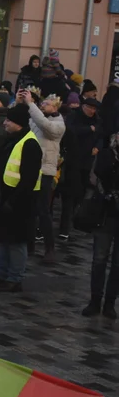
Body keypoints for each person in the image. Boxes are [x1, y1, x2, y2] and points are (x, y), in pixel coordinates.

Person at [0, 103, 43, 293]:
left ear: (18, 123)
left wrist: (13, 201)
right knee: (5, 238)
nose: (4, 123)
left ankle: (15, 278)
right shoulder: (12, 139)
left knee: (17, 241)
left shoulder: (30, 143)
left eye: (8, 120)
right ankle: (0, 273)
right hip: (7, 197)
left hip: (21, 201)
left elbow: (29, 179)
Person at [82, 130, 119, 318]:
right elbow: (98, 175)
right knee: (99, 258)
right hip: (105, 213)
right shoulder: (107, 154)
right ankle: (95, 300)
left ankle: (110, 302)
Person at [26, 91, 65, 262]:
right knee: (30, 208)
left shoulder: (59, 124)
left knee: (43, 210)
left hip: (46, 171)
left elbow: (44, 125)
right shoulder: (37, 117)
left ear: (55, 107)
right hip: (32, 168)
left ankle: (50, 248)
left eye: (47, 104)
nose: (43, 105)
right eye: (43, 103)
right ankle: (29, 245)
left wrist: (31, 104)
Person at [60, 97, 102, 240]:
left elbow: (101, 136)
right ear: (84, 107)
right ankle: (64, 227)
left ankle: (74, 218)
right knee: (70, 194)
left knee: (81, 192)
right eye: (90, 108)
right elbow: (72, 131)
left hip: (87, 161)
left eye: (94, 109)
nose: (92, 111)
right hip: (73, 159)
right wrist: (88, 129)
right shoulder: (74, 116)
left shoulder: (97, 120)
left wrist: (98, 146)